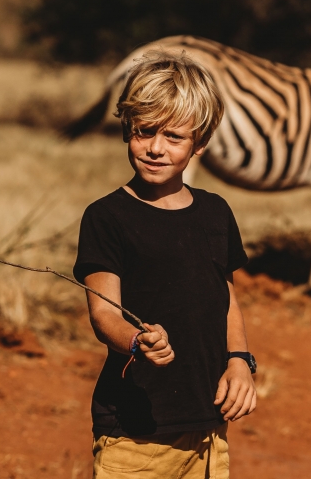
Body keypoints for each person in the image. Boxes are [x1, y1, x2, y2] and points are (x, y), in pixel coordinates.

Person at [73, 50, 257, 478]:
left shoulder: (216, 212)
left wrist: (239, 362)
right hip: (135, 434)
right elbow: (103, 312)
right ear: (126, 130)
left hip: (209, 427)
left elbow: (225, 295)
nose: (156, 148)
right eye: (144, 132)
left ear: (201, 142)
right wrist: (137, 341)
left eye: (174, 137)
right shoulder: (107, 217)